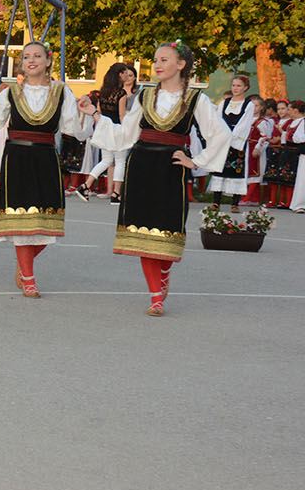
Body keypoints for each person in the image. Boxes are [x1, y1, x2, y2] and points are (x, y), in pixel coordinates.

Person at [0, 41, 91, 298]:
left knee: (46, 225)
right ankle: (28, 277)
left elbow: (74, 127)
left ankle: (24, 262)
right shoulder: (10, 93)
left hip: (46, 159)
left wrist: (84, 113)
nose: (32, 60)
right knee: (21, 221)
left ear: (48, 60)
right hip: (17, 158)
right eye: (27, 56)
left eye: (37, 56)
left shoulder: (62, 92)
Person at [109, 41, 229, 316]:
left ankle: (164, 273)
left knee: (168, 230)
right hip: (141, 164)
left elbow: (220, 134)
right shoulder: (144, 96)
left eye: (164, 60)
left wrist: (195, 161)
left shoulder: (197, 99)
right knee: (142, 231)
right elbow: (127, 133)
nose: (158, 65)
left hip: (171, 168)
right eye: (156, 60)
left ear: (181, 65)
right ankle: (155, 296)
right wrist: (94, 116)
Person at [83, 64, 139, 204]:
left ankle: (85, 185)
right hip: (117, 129)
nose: (127, 76)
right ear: (119, 75)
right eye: (125, 73)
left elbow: (100, 112)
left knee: (106, 161)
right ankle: (116, 194)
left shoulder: (103, 92)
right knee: (120, 161)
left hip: (105, 128)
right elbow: (122, 115)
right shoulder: (121, 94)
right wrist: (128, 130)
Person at [206, 75, 257, 210]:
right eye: (234, 85)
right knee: (220, 169)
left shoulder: (248, 105)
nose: (235, 88)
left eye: (239, 86)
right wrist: (220, 135)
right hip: (223, 139)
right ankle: (216, 201)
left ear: (245, 88)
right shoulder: (225, 102)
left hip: (237, 141)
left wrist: (233, 138)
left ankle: (234, 203)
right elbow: (218, 119)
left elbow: (244, 124)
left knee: (236, 169)